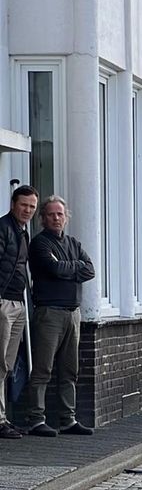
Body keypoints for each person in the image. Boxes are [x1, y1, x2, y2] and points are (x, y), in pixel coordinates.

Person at [18, 195, 95, 436]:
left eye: (60, 214)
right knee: (42, 369)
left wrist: (67, 266)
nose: (56, 218)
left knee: (69, 369)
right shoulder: (40, 244)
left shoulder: (73, 242)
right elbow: (54, 268)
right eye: (50, 214)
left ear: (66, 216)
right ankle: (36, 419)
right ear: (42, 218)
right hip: (49, 313)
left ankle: (68, 418)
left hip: (73, 314)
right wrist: (74, 267)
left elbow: (90, 269)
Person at [0, 186, 36, 439]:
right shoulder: (3, 228)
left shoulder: (23, 233)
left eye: (32, 207)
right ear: (13, 204)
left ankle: (3, 417)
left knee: (7, 365)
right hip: (3, 303)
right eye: (24, 205)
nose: (28, 210)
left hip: (18, 304)